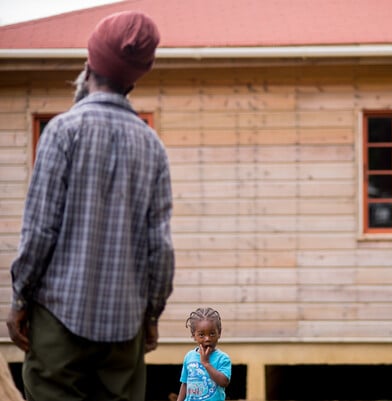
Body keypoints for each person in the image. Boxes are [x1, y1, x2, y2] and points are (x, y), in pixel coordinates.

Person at [5, 10, 175, 401]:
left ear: (89, 63)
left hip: (58, 323)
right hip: (124, 329)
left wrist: (19, 301)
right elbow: (160, 248)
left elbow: (39, 231)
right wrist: (151, 316)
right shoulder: (153, 147)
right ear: (136, 77)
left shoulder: (62, 132)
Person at [177, 308, 231, 401]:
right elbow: (185, 384)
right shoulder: (189, 356)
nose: (207, 339)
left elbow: (224, 382)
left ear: (219, 333)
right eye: (201, 335)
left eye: (212, 334)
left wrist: (206, 364)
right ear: (194, 335)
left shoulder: (223, 358)